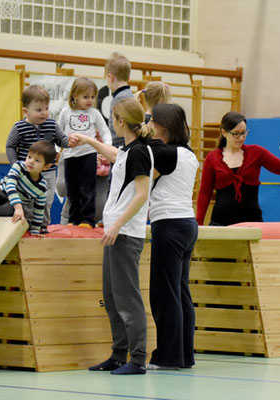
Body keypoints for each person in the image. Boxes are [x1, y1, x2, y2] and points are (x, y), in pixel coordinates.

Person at [70, 98, 155, 375]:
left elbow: (142, 194)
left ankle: (138, 358)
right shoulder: (129, 151)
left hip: (126, 235)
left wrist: (117, 224)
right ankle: (119, 354)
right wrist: (88, 140)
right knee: (112, 295)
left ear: (120, 121)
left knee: (128, 298)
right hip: (114, 233)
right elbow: (114, 155)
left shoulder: (141, 152)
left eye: (113, 118)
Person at [145, 104, 199, 370]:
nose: (150, 125)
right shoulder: (188, 153)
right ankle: (184, 356)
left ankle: (167, 356)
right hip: (188, 224)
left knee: (165, 295)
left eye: (153, 121)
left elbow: (127, 155)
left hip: (169, 225)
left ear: (163, 126)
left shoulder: (166, 152)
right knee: (180, 292)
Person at [196, 111, 280, 226]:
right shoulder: (212, 158)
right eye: (236, 134)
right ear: (224, 132)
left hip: (252, 223)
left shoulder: (257, 152)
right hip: (221, 223)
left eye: (244, 133)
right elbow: (205, 193)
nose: (241, 138)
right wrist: (199, 223)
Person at [6, 84, 69, 231]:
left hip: (47, 171)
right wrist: (15, 164)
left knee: (46, 200)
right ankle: (25, 225)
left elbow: (61, 140)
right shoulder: (19, 127)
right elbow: (10, 146)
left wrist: (71, 141)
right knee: (27, 200)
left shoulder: (52, 125)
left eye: (47, 108)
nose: (44, 113)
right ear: (25, 111)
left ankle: (42, 225)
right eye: (39, 110)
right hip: (26, 173)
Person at [57, 77, 111, 228]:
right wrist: (56, 150)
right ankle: (73, 220)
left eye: (93, 97)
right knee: (73, 191)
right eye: (85, 97)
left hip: (89, 155)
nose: (90, 101)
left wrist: (106, 148)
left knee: (87, 189)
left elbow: (106, 131)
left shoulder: (94, 113)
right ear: (74, 96)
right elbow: (58, 133)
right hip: (70, 156)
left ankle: (87, 220)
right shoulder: (66, 112)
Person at [105, 52, 133, 148]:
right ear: (129, 77)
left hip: (120, 146)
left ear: (110, 77)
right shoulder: (127, 94)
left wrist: (110, 145)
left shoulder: (120, 98)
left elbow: (120, 126)